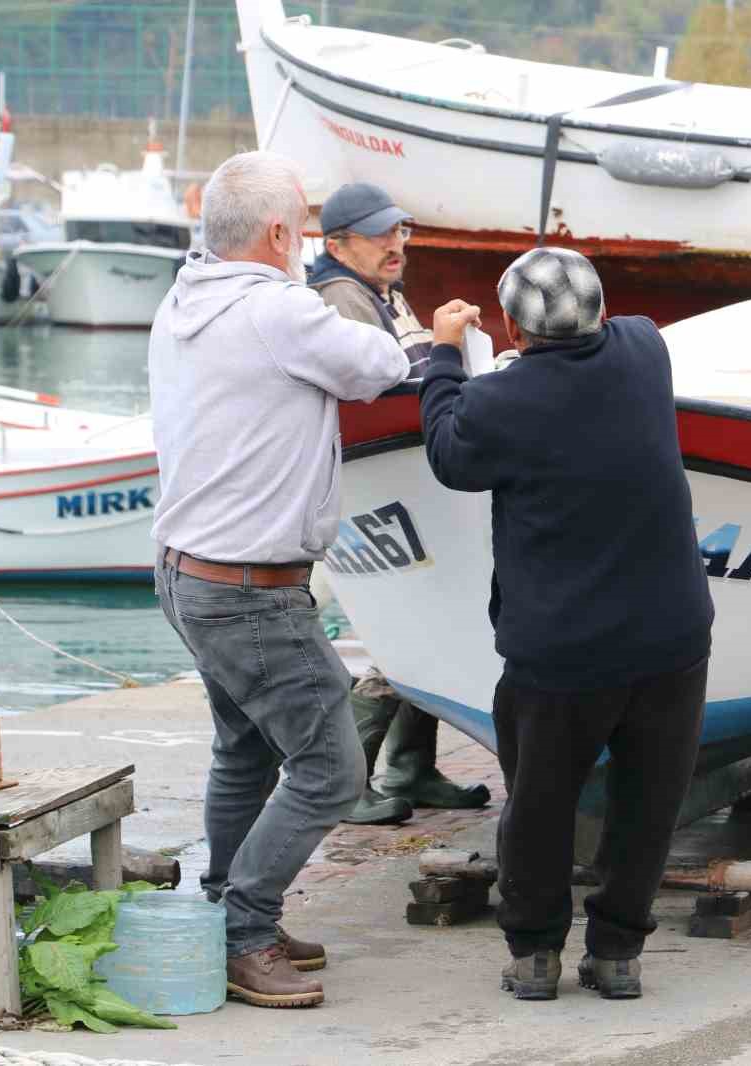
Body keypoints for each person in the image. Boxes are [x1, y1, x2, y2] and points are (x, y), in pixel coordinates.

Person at [150, 151, 410, 1007]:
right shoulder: (277, 309)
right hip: (250, 589)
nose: (303, 243)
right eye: (300, 227)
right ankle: (245, 930)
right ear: (276, 234)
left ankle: (227, 903)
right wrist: (441, 342)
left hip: (186, 573)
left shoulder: (181, 300)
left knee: (244, 749)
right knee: (333, 770)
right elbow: (380, 367)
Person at [418, 248, 713, 999]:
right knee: (648, 807)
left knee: (541, 810)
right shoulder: (646, 350)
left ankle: (536, 954)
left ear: (514, 333)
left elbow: (451, 452)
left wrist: (445, 355)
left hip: (561, 650)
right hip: (670, 635)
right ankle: (617, 955)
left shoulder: (503, 403)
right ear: (605, 312)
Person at [309, 181, 490, 824]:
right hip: (384, 495)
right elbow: (373, 391)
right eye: (380, 234)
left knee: (428, 623)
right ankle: (348, 784)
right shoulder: (341, 299)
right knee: (394, 636)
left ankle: (410, 767)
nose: (397, 243)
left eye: (400, 231)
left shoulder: (381, 294)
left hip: (408, 489)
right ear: (336, 244)